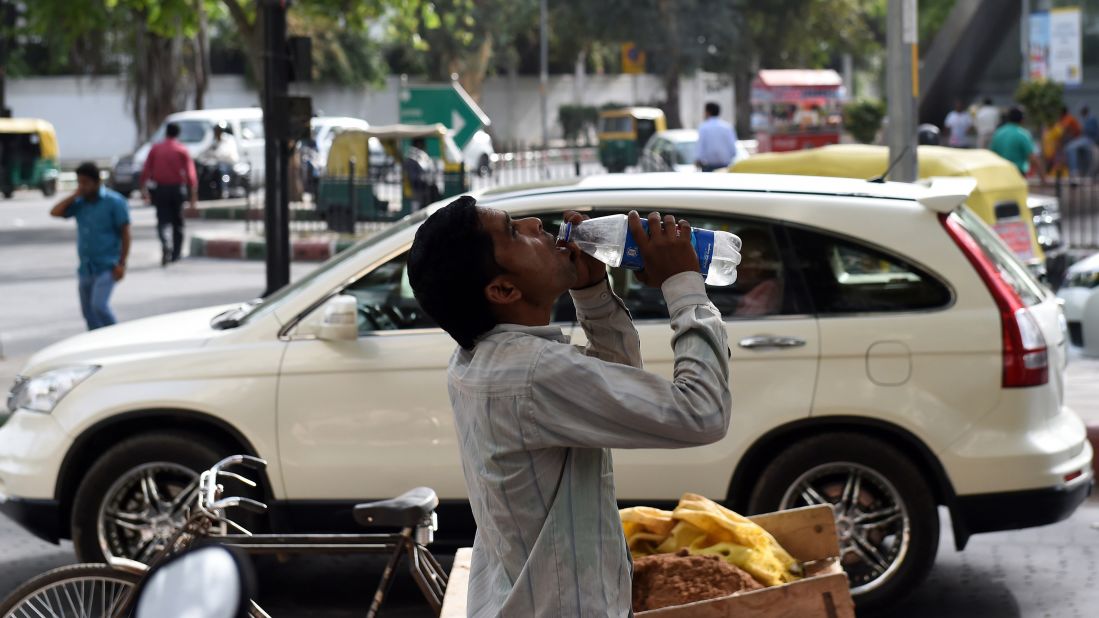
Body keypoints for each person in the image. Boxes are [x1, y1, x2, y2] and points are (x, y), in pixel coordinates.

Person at [407, 197, 732, 616]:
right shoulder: (531, 372)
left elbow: (611, 392)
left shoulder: (481, 357)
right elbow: (702, 414)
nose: (533, 224)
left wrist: (593, 292)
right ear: (504, 289)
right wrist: (684, 286)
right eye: (512, 231)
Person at [50, 162, 131, 330]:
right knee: (88, 313)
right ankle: (95, 346)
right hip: (86, 267)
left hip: (107, 265)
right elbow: (55, 212)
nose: (82, 187)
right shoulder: (80, 202)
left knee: (99, 306)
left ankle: (118, 337)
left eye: (86, 183)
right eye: (79, 182)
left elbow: (125, 233)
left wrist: (122, 263)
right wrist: (74, 195)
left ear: (97, 182)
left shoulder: (114, 202)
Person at [141, 122, 197, 265]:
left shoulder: (156, 149)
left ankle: (166, 243)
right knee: (178, 222)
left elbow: (146, 171)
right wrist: (193, 196)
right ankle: (176, 254)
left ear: (166, 132)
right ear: (178, 134)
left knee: (162, 220)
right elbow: (191, 174)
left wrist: (144, 190)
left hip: (161, 190)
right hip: (177, 189)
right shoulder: (181, 149)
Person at [990, 107, 1044, 182]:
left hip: (1000, 174)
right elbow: (1032, 157)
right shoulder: (1022, 134)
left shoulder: (998, 133)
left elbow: (991, 155)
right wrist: (1043, 178)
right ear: (1022, 120)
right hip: (1017, 175)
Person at [696, 102, 738, 171]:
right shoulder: (727, 127)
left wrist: (698, 159)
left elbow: (700, 147)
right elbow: (733, 148)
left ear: (708, 112)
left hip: (708, 167)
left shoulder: (703, 127)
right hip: (725, 166)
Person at [403, 137, 438, 210]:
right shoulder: (412, 159)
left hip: (423, 191)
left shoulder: (421, 157)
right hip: (416, 191)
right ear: (418, 144)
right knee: (416, 211)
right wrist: (426, 179)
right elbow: (413, 177)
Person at [1065, 106, 1097, 177]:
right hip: (1084, 139)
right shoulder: (1083, 119)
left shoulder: (1091, 119)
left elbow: (1091, 132)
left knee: (1071, 147)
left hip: (1088, 139)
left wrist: (1081, 129)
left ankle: (1074, 170)